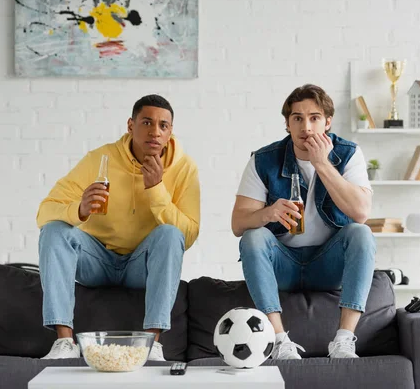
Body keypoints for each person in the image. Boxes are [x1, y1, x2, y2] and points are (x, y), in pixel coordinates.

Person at [36, 94, 200, 361]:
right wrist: (79, 209)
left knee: (170, 233)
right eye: (147, 122)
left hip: (141, 265)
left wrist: (156, 189)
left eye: (163, 126)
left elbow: (188, 235)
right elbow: (45, 211)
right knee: (53, 230)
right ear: (130, 125)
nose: (155, 132)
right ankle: (65, 343)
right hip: (96, 261)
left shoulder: (184, 168)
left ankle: (152, 344)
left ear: (170, 132)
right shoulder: (100, 159)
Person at [231, 84, 375, 359]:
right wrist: (268, 213)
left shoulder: (347, 154)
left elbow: (361, 212)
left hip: (327, 264)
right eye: (297, 118)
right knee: (253, 236)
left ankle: (344, 340)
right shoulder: (264, 160)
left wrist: (322, 164)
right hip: (283, 264)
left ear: (328, 122)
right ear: (287, 123)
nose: (306, 127)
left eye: (314, 118)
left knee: (361, 233)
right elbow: (238, 224)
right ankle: (279, 340)